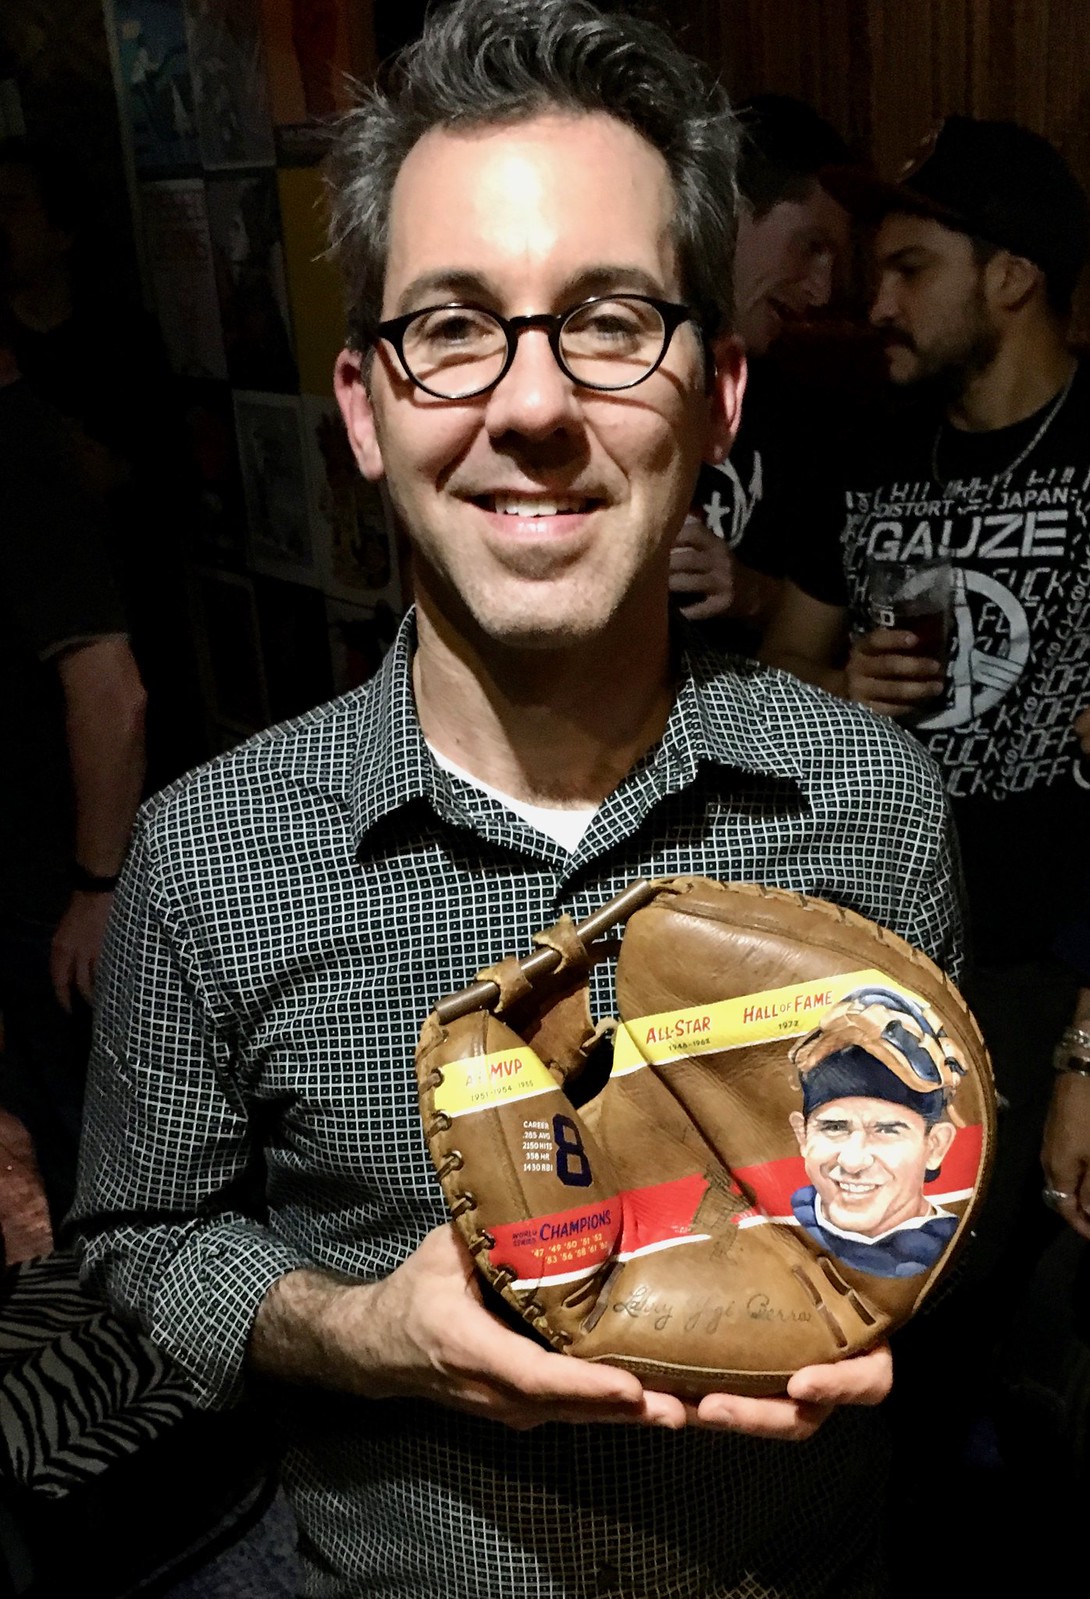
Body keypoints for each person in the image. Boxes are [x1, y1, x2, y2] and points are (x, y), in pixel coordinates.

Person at [72, 5, 964, 1595]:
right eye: (453, 326)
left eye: (612, 320)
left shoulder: (874, 802)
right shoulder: (209, 854)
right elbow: (136, 1245)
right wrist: (353, 1332)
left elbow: (916, 1168)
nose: (535, 407)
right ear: (362, 406)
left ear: (719, 392)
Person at [761, 117, 1090, 1278]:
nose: (877, 304)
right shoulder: (865, 451)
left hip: (1043, 967)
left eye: (910, 270)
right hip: (870, 955)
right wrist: (839, 683)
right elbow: (778, 675)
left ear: (1010, 276)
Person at [0, 332, 146, 1232]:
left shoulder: (15, 459)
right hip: (34, 882)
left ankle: (137, 1353)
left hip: (56, 887)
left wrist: (94, 887)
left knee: (109, 1151)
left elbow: (112, 691)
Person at [669, 94, 854, 649]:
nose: (821, 292)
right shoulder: (606, 375)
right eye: (812, 248)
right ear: (731, 210)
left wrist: (748, 591)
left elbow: (818, 616)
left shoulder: (804, 423)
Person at [787, 988, 966, 1278]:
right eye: (834, 1127)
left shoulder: (956, 1254)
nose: (853, 1161)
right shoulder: (777, 1223)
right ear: (803, 1136)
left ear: (935, 1147)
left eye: (886, 1130)